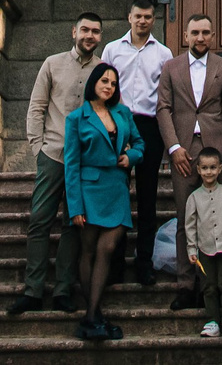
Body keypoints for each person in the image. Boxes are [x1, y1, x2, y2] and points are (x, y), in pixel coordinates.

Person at [12, 10, 105, 316]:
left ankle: (63, 290)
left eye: (95, 32)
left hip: (85, 161)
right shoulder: (52, 63)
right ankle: (33, 290)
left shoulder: (103, 70)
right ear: (73, 31)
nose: (90, 36)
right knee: (39, 220)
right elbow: (37, 106)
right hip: (52, 155)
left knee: (73, 225)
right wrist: (37, 146)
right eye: (85, 30)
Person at [159, 12, 222, 311]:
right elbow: (163, 108)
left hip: (214, 151)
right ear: (186, 36)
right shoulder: (171, 67)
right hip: (183, 152)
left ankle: (215, 285)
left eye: (206, 32)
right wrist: (174, 147)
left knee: (216, 219)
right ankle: (186, 284)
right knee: (185, 219)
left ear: (212, 36)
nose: (201, 38)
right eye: (195, 33)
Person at [99, 0, 173, 285]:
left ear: (154, 20)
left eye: (148, 17)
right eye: (138, 16)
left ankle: (144, 262)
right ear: (129, 17)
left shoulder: (164, 53)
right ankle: (115, 263)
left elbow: (165, 96)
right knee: (117, 194)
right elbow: (103, 87)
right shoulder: (112, 49)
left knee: (147, 195)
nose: (143, 21)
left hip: (148, 126)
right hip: (117, 123)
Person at [62, 63, 138, 342]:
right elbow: (71, 165)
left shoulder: (123, 113)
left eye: (114, 83)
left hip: (116, 190)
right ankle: (93, 315)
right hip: (88, 190)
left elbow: (140, 143)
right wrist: (75, 207)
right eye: (104, 81)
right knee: (88, 252)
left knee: (107, 248)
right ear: (93, 82)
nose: (109, 86)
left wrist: (132, 157)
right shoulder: (76, 118)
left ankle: (91, 315)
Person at [184, 146, 222, 340]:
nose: (209, 172)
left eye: (213, 167)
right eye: (205, 168)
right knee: (208, 285)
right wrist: (191, 248)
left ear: (219, 169)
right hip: (204, 248)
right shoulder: (193, 198)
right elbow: (190, 226)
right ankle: (212, 321)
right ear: (198, 170)